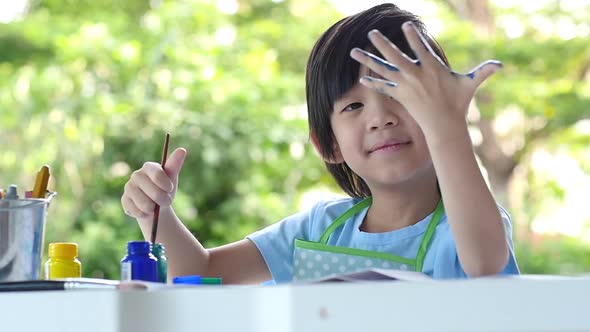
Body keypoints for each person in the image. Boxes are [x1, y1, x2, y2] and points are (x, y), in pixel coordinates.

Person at [121, 3, 519, 284]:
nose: (381, 117)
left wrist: (447, 125)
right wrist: (156, 213)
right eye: (354, 106)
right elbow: (201, 273)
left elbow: (484, 263)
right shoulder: (319, 228)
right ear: (328, 144)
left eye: (400, 95)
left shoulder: (470, 223)